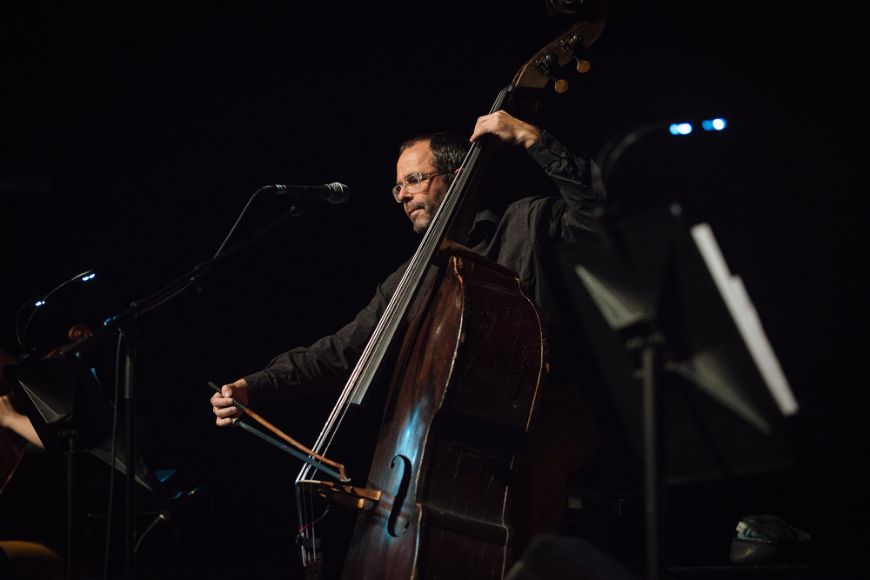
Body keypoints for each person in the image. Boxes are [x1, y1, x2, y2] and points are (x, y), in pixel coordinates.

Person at [210, 110, 636, 573]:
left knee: (536, 460)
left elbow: (600, 215)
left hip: (547, 413)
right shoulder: (409, 279)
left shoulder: (526, 223)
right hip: (460, 437)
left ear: (457, 178)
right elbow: (343, 350)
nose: (403, 195)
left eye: (414, 179)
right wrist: (256, 385)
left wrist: (532, 138)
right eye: (398, 187)